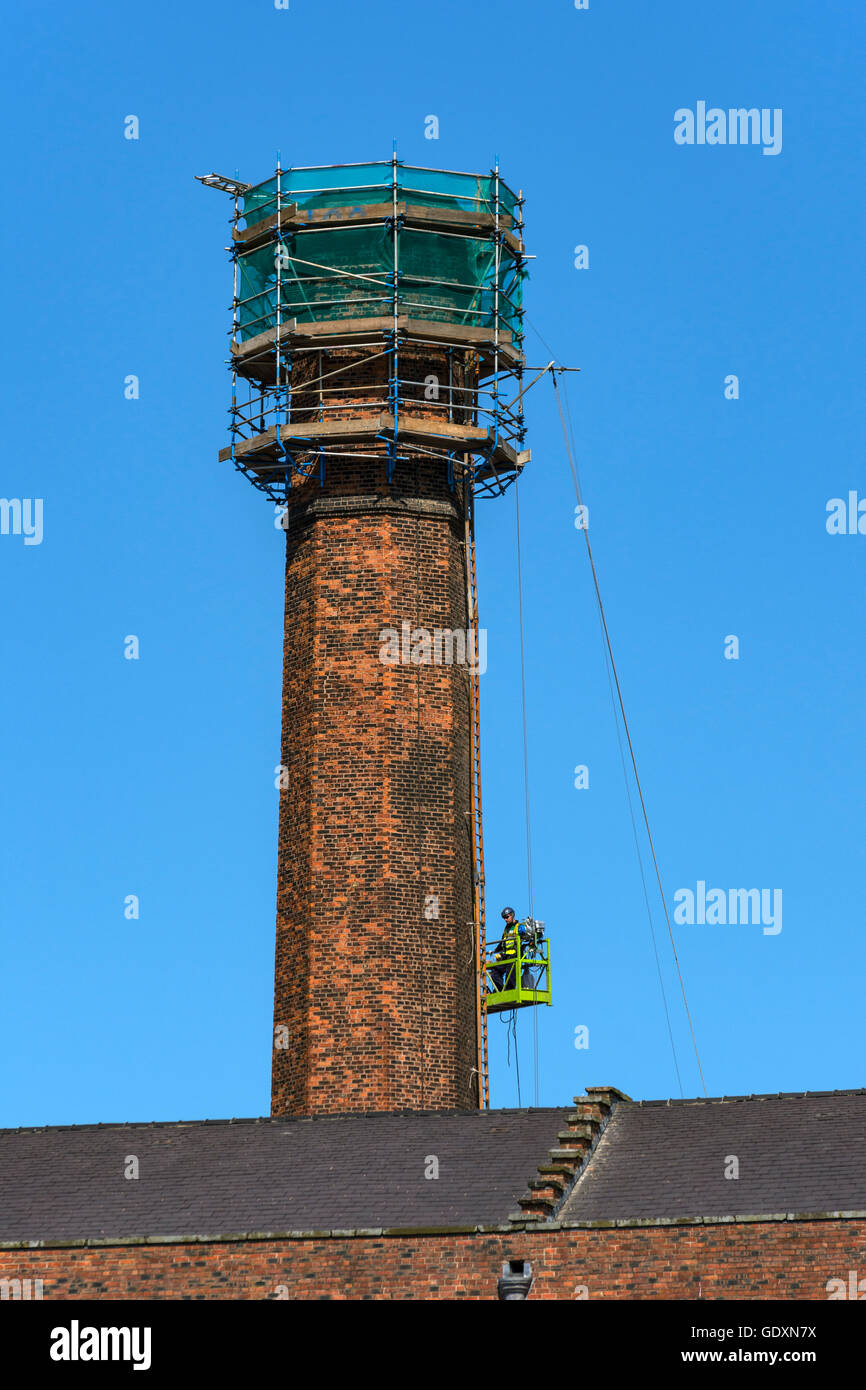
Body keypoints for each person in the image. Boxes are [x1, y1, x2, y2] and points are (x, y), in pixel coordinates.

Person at [489, 907, 528, 993]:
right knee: (495, 971)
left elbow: (527, 937)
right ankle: (499, 990)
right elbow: (502, 942)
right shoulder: (506, 929)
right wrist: (495, 951)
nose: (505, 919)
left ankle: (509, 991)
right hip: (505, 955)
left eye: (507, 917)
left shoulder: (519, 927)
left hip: (514, 954)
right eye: (504, 918)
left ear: (512, 915)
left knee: (510, 972)